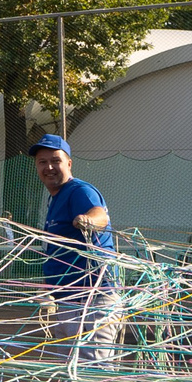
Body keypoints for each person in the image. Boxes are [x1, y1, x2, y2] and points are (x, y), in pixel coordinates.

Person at [30, 134, 118, 367]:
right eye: (42, 162)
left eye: (55, 161)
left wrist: (87, 220)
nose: (49, 167)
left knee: (93, 372)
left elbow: (99, 215)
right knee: (71, 371)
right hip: (69, 299)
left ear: (69, 163)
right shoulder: (56, 199)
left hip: (92, 298)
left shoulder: (79, 191)